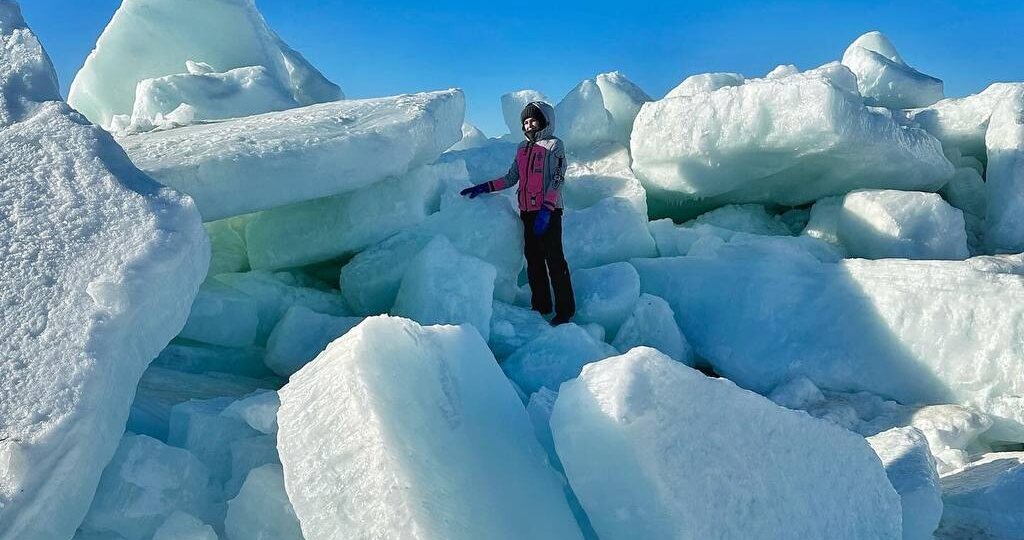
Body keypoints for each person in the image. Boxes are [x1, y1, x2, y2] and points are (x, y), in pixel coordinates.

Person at [460, 101, 575, 326]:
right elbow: (511, 177)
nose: (528, 123)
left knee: (555, 261)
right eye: (525, 120)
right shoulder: (522, 148)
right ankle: (541, 305)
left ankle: (565, 311)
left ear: (544, 121)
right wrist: (485, 187)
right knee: (533, 261)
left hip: (549, 212)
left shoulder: (554, 145)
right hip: (528, 212)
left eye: (532, 119)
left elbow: (558, 179)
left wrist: (547, 209)